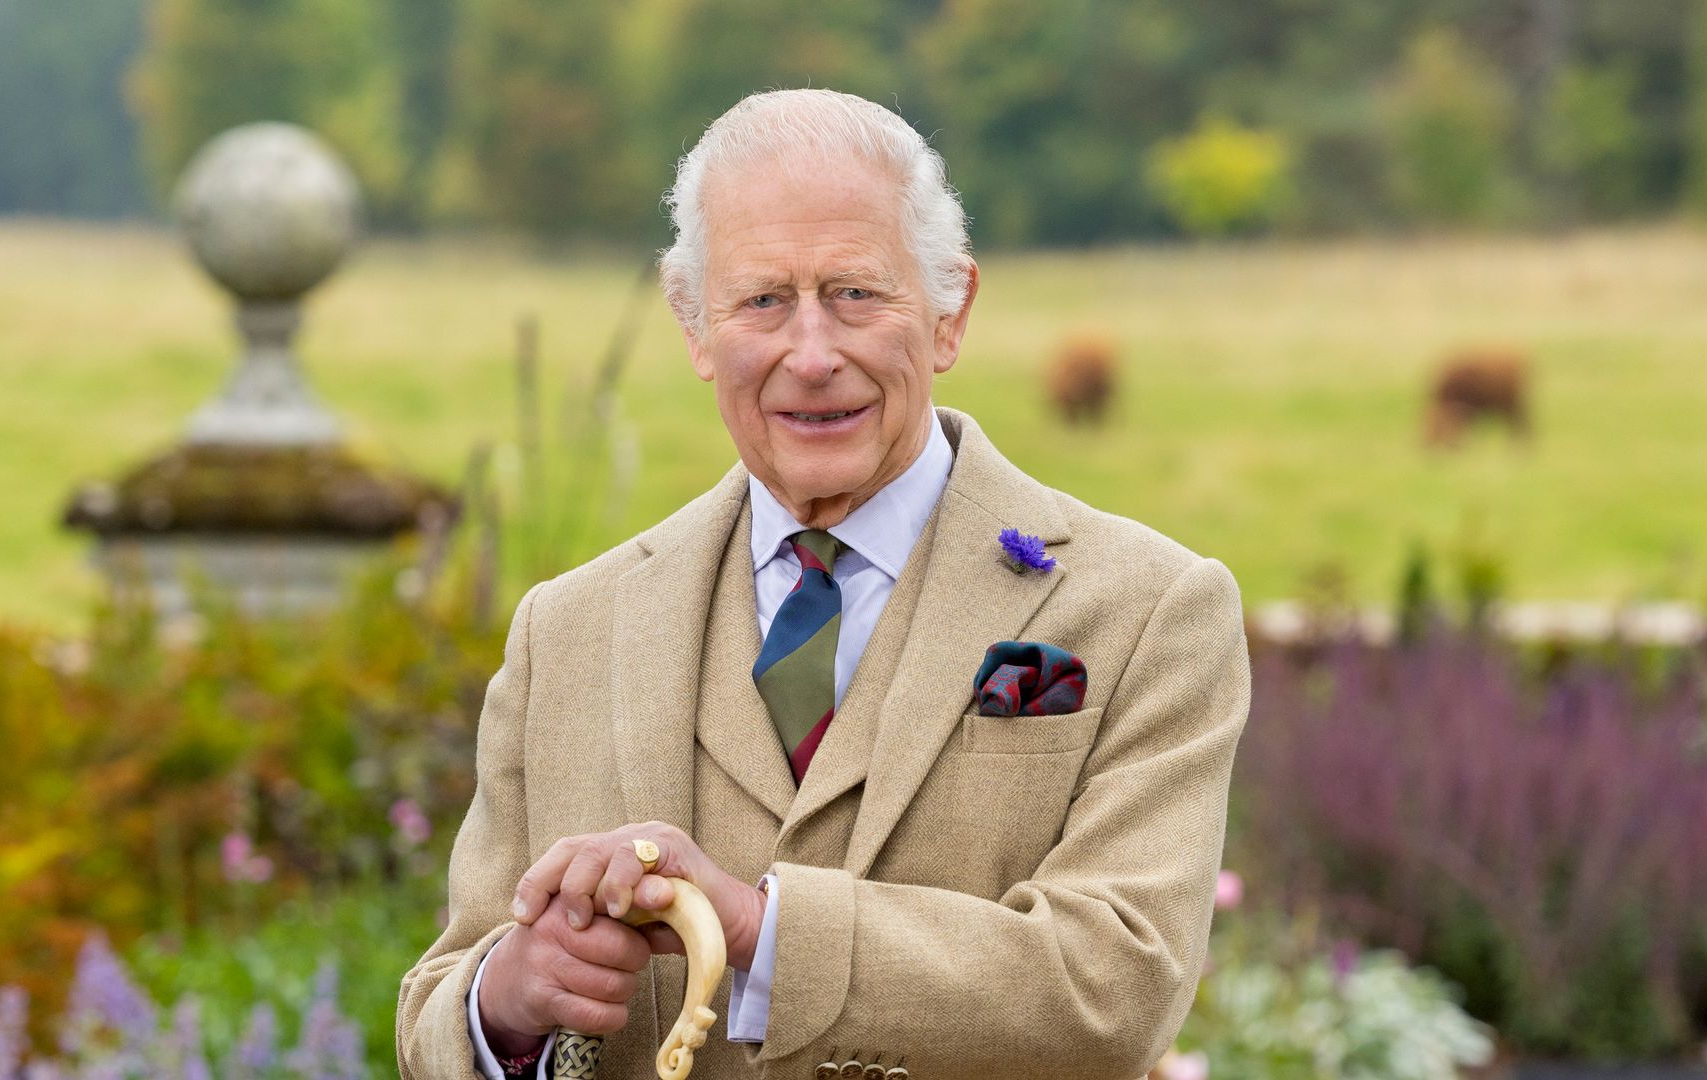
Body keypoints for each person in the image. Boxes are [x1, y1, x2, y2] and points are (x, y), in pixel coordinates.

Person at [397, 88, 1250, 1080]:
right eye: (762, 301)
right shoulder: (567, 632)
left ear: (947, 313)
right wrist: (506, 1005)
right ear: (695, 328)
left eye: (855, 293)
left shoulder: (1150, 610)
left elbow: (1118, 991)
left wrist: (761, 931)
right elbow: (444, 1002)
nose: (810, 355)